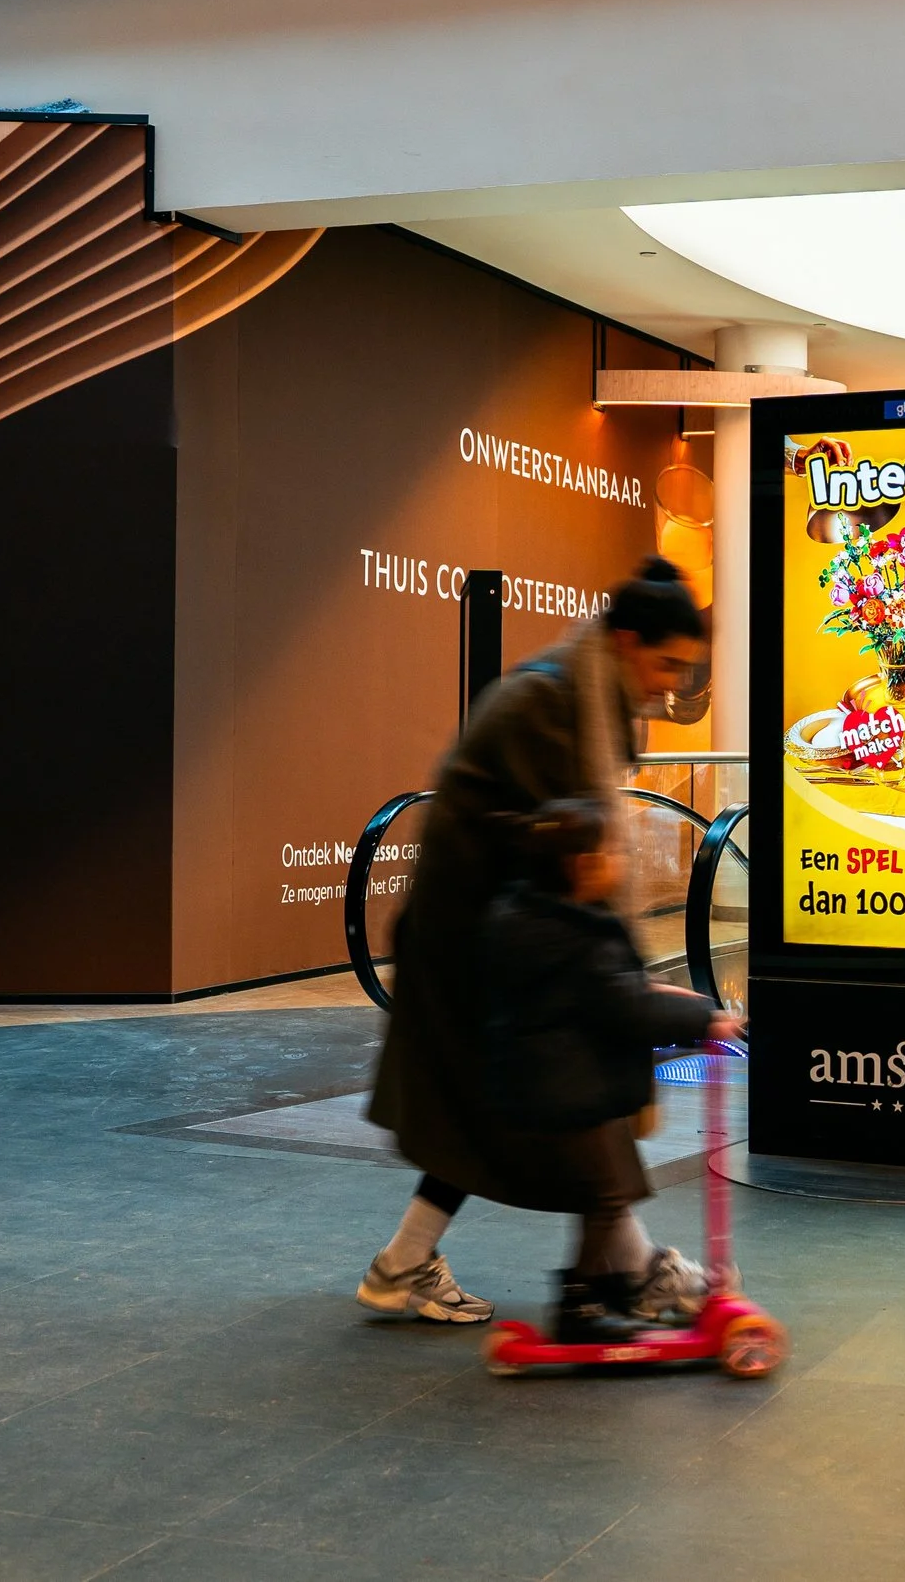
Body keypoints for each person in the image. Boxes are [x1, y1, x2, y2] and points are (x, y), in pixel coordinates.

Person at [361, 558, 712, 1324]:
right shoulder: (552, 703)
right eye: (666, 664)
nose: (671, 684)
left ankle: (403, 1262)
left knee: (487, 1115)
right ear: (626, 641)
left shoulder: (586, 696)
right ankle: (631, 1267)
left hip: (498, 938)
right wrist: (617, 980)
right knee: (578, 1102)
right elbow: (557, 852)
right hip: (470, 944)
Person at [476, 798, 722, 1340]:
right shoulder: (583, 938)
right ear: (583, 865)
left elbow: (598, 998)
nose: (622, 858)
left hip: (544, 1087)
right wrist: (705, 1016)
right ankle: (580, 1307)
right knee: (605, 1199)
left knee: (601, 1197)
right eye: (613, 849)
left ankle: (602, 1290)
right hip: (573, 1095)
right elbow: (627, 1009)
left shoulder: (526, 918)